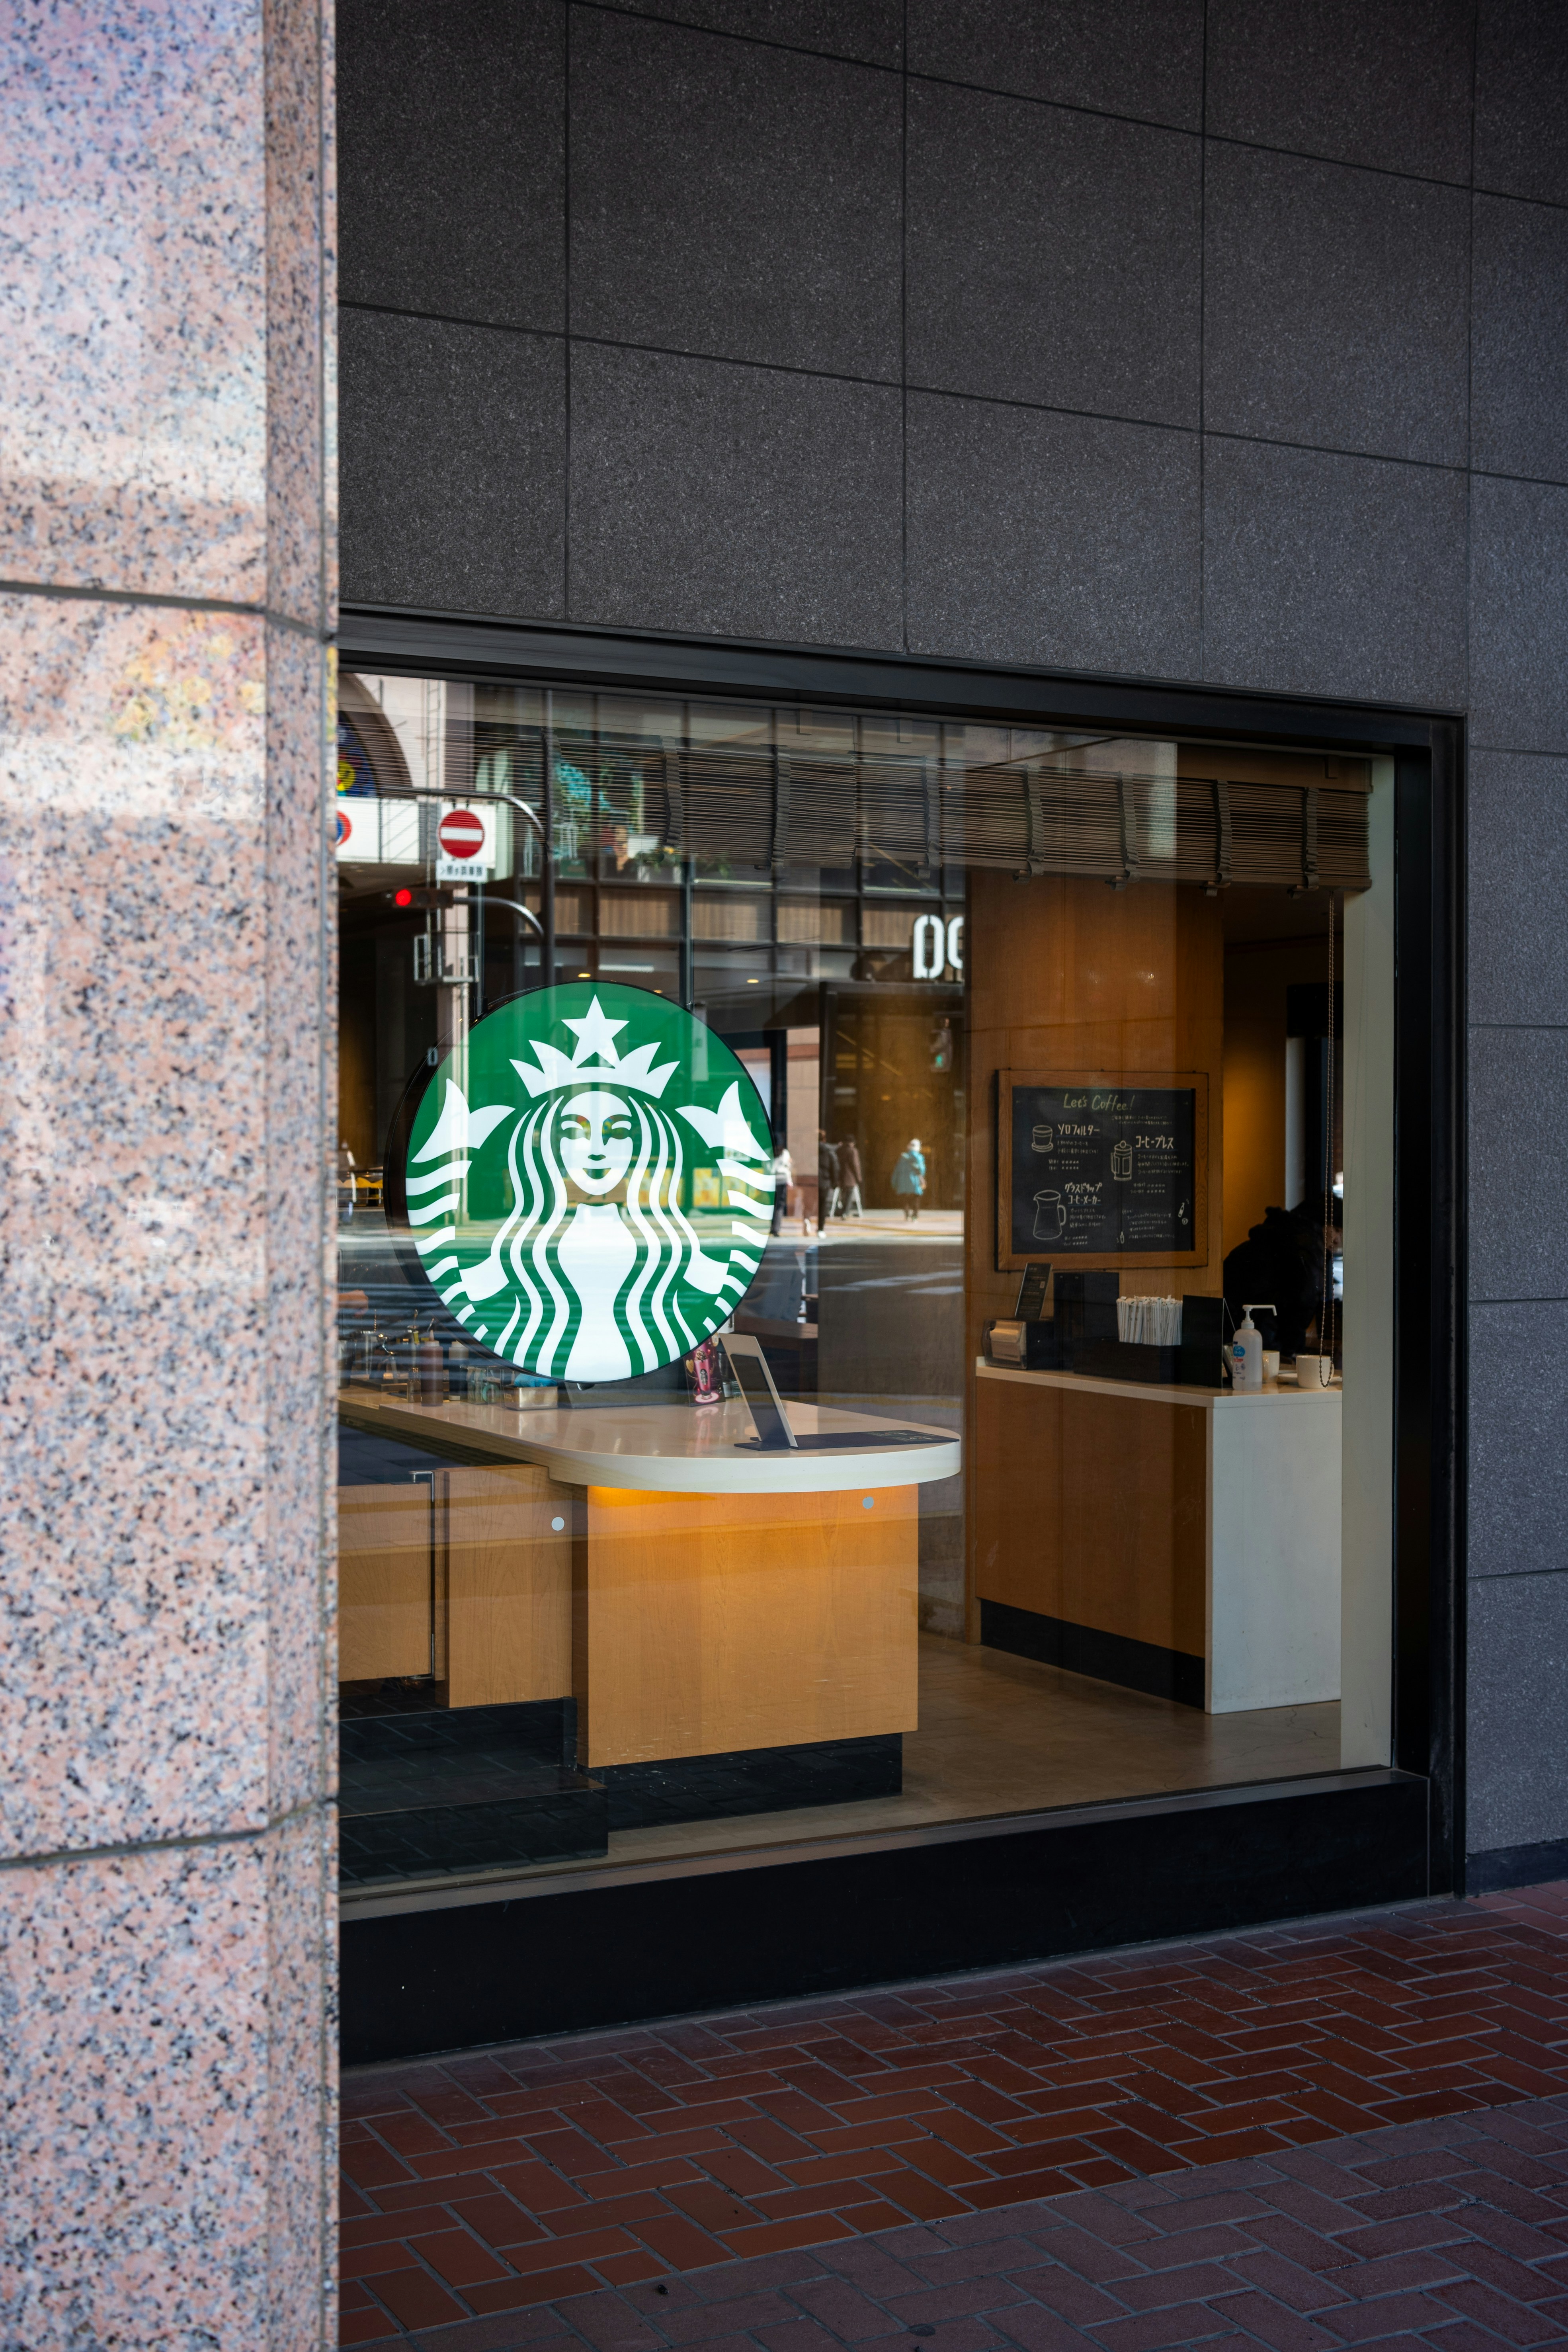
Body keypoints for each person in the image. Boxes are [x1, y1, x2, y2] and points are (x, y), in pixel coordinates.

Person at [1222, 1200, 1338, 1360]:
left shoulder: (1274, 1235)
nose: (1338, 1240)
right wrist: (1290, 1351)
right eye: (1336, 1230)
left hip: (1233, 1330)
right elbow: (1306, 1300)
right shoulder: (1307, 1247)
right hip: (1266, 1336)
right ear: (1321, 1223)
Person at [890, 1136, 926, 1222]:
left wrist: (894, 1182)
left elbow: (897, 1171)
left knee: (905, 1199)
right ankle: (915, 1216)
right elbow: (922, 1170)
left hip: (903, 1182)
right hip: (915, 1181)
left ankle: (907, 1215)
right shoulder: (919, 1157)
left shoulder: (903, 1158)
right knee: (916, 1198)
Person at [837, 1134, 863, 1218]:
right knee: (849, 1195)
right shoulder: (853, 1151)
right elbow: (856, 1165)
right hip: (850, 1177)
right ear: (852, 1143)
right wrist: (859, 1177)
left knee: (843, 1195)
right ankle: (845, 1212)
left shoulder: (839, 1151)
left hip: (840, 1177)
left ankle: (842, 1211)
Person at [817, 1130, 840, 1224]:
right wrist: (835, 1182)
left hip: (811, 1182)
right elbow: (835, 1168)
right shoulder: (829, 1152)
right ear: (824, 1139)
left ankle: (807, 1222)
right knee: (823, 1205)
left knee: (809, 1205)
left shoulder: (808, 1151)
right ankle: (821, 1228)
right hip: (824, 1182)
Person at [770, 1141, 793, 1235]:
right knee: (780, 1205)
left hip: (772, 1180)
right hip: (783, 1180)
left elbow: (767, 1168)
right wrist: (790, 1181)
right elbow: (788, 1167)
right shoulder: (785, 1153)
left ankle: (772, 1227)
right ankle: (776, 1228)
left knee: (772, 1205)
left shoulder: (768, 1152)